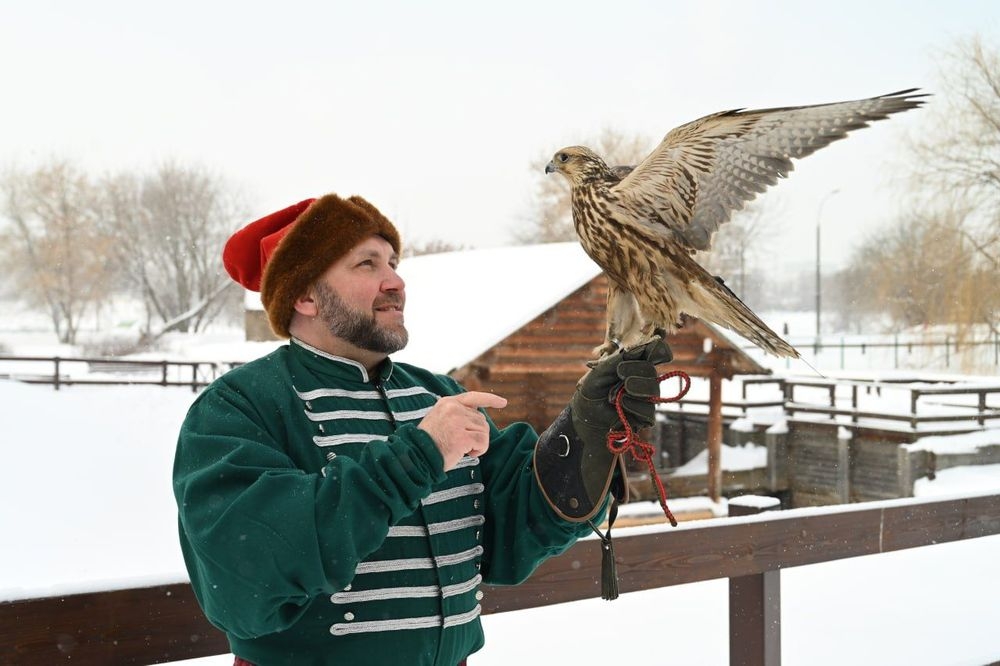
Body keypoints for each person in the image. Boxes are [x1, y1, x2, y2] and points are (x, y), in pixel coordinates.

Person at [173, 193, 671, 666]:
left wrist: (586, 434)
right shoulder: (239, 406)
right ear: (304, 295)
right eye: (367, 264)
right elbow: (248, 571)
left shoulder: (438, 394)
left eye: (393, 263)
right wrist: (419, 454)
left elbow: (509, 534)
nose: (395, 281)